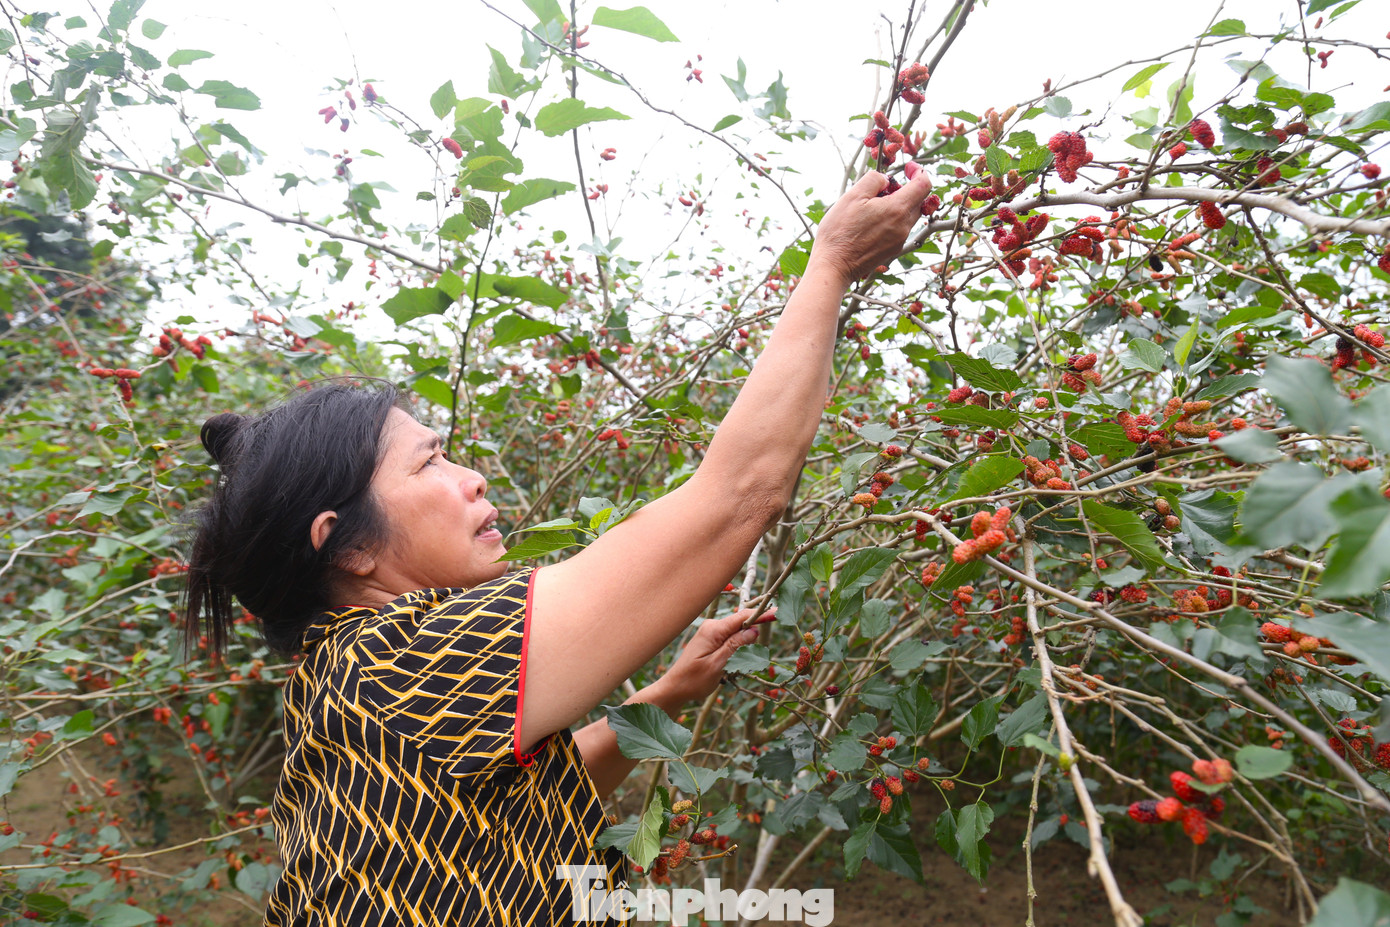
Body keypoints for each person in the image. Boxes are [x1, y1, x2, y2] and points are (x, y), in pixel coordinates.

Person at [183, 169, 931, 926]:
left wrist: (664, 696)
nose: (471, 478)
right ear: (343, 546)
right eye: (429, 462)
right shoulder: (397, 662)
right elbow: (738, 496)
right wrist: (830, 265)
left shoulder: (352, 682)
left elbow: (524, 792)